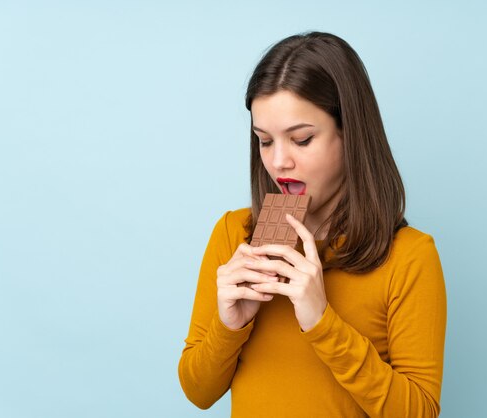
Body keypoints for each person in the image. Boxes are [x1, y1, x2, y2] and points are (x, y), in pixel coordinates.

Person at [178, 31, 447, 418]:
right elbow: (198, 392)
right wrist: (230, 326)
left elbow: (419, 413)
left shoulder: (409, 257)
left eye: (301, 139)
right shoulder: (235, 235)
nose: (278, 162)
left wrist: (323, 322)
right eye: (265, 141)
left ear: (349, 133)